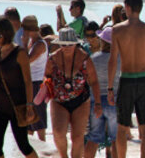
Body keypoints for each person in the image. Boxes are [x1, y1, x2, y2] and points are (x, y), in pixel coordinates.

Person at [108, 0, 145, 158]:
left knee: (122, 126)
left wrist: (110, 87)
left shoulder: (117, 30)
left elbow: (112, 61)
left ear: (127, 8)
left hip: (126, 79)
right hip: (144, 80)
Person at [45, 27, 102, 158]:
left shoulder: (85, 58)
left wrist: (98, 103)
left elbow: (94, 82)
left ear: (76, 43)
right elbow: (47, 76)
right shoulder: (53, 59)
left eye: (70, 44)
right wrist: (46, 85)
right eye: (63, 44)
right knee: (58, 133)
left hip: (80, 100)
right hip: (59, 100)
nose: (67, 47)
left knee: (77, 137)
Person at [0, 16, 39, 158]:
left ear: (6, 33)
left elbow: (28, 81)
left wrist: (29, 105)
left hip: (17, 106)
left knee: (23, 145)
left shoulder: (19, 53)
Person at [84, 25, 120, 158]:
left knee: (93, 138)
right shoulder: (119, 59)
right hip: (114, 101)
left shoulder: (93, 58)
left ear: (103, 41)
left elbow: (88, 81)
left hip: (96, 102)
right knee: (116, 139)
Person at [23, 16, 48, 142]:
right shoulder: (32, 43)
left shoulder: (39, 44)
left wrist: (23, 42)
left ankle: (43, 145)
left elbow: (25, 61)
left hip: (37, 83)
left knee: (39, 119)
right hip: (30, 82)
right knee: (29, 121)